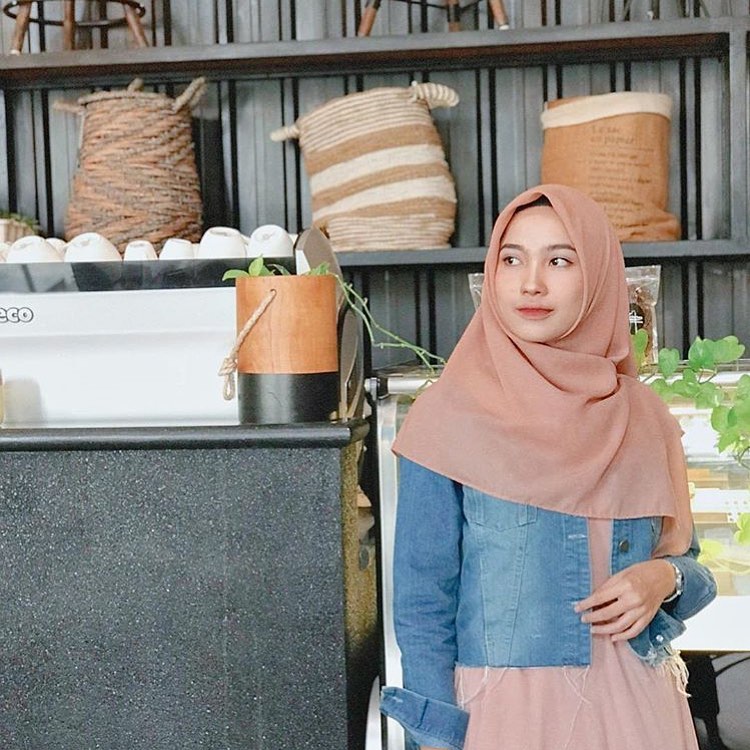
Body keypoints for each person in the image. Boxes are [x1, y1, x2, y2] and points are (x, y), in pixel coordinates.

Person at [379, 184, 717, 750]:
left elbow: (689, 566)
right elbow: (422, 608)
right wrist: (436, 737)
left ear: (599, 279)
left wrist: (666, 578)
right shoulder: (446, 417)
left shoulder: (644, 417)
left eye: (559, 261)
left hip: (639, 710)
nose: (530, 283)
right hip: (501, 718)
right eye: (512, 260)